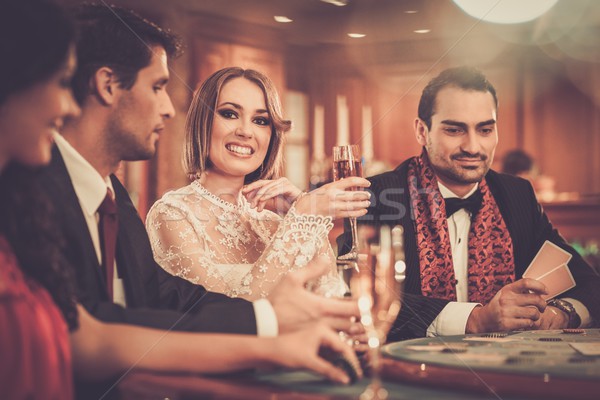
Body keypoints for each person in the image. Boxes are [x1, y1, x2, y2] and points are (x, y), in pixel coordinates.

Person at [0, 1, 360, 398]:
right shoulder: (35, 195)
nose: (170, 109)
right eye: (158, 87)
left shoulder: (114, 198)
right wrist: (302, 224)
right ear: (105, 85)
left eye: (260, 120)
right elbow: (88, 340)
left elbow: (164, 307)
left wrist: (273, 323)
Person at [339, 66, 600, 341]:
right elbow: (356, 293)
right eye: (454, 130)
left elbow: (590, 284)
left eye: (485, 130)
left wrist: (558, 314)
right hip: (410, 373)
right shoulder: (378, 194)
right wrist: (474, 319)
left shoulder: (517, 194)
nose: (473, 146)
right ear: (421, 131)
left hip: (508, 373)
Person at [146, 67, 371, 300]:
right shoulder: (172, 215)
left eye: (260, 120)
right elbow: (225, 317)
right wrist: (302, 217)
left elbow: (331, 297)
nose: (245, 131)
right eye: (229, 114)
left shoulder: (274, 223)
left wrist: (307, 214)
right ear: (203, 122)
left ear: (271, 135)